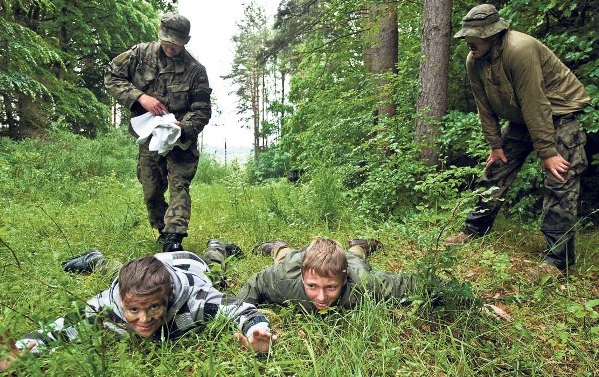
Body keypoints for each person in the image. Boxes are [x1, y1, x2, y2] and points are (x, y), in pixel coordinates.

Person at [447, 4, 590, 275]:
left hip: (558, 112)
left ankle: (557, 261)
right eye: (466, 36)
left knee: (560, 178)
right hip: (523, 117)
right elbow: (484, 106)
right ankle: (474, 229)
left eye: (474, 37)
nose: (468, 43)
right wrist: (495, 146)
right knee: (496, 169)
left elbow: (535, 102)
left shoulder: (519, 50)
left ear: (491, 35)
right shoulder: (474, 60)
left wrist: (547, 151)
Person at [0, 251, 275, 372]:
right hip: (144, 267)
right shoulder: (105, 305)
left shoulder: (196, 300)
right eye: (132, 309)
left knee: (216, 270)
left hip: (190, 263)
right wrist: (20, 350)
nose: (144, 320)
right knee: (115, 270)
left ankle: (216, 247)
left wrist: (256, 331)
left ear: (168, 298)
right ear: (119, 300)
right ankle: (96, 259)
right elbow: (60, 328)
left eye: (154, 307)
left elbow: (242, 310)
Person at [104, 13, 212, 253]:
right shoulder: (140, 55)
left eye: (175, 44)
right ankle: (163, 230)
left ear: (186, 40)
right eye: (166, 42)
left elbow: (202, 110)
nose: (170, 48)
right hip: (149, 138)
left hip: (181, 141)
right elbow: (112, 76)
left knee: (179, 185)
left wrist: (181, 128)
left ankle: (174, 238)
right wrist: (140, 97)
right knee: (151, 189)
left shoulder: (196, 71)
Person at [235, 238, 508, 319]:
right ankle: (277, 245)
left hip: (350, 261)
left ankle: (360, 244)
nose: (320, 297)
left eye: (330, 287)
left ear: (343, 280)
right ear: (304, 279)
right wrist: (241, 319)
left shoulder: (363, 284)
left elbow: (420, 282)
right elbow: (255, 284)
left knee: (356, 256)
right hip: (296, 259)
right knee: (284, 256)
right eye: (313, 287)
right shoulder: (285, 279)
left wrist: (473, 304)